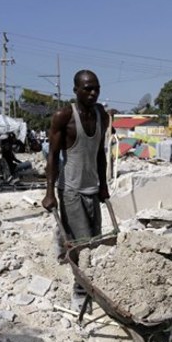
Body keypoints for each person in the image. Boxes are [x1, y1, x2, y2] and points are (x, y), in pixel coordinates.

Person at [42, 69, 110, 312]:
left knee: (97, 239)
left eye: (96, 88)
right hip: (70, 189)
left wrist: (103, 185)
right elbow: (51, 156)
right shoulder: (64, 116)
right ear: (76, 90)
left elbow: (100, 153)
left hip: (92, 188)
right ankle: (80, 291)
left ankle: (62, 241)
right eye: (87, 88)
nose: (93, 93)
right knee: (83, 245)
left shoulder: (102, 115)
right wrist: (49, 192)